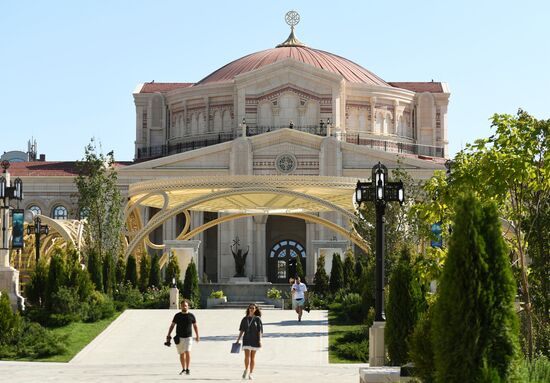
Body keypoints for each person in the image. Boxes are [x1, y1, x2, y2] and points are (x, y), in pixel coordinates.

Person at [166, 299, 200, 375]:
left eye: (185, 305)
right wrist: (168, 334)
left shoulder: (191, 316)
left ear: (188, 306)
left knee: (187, 352)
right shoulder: (177, 316)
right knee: (182, 354)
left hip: (188, 337)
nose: (184, 307)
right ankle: (183, 369)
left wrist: (197, 335)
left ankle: (187, 369)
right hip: (179, 338)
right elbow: (172, 325)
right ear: (181, 306)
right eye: (183, 306)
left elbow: (195, 326)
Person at [236, 303, 263, 380]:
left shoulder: (257, 319)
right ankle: (246, 369)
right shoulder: (245, 319)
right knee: (246, 356)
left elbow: (259, 331)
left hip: (255, 340)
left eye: (253, 308)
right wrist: (238, 340)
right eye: (250, 308)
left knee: (252, 357)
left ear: (255, 309)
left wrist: (260, 340)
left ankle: (251, 373)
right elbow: (242, 330)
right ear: (248, 309)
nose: (251, 309)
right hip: (246, 339)